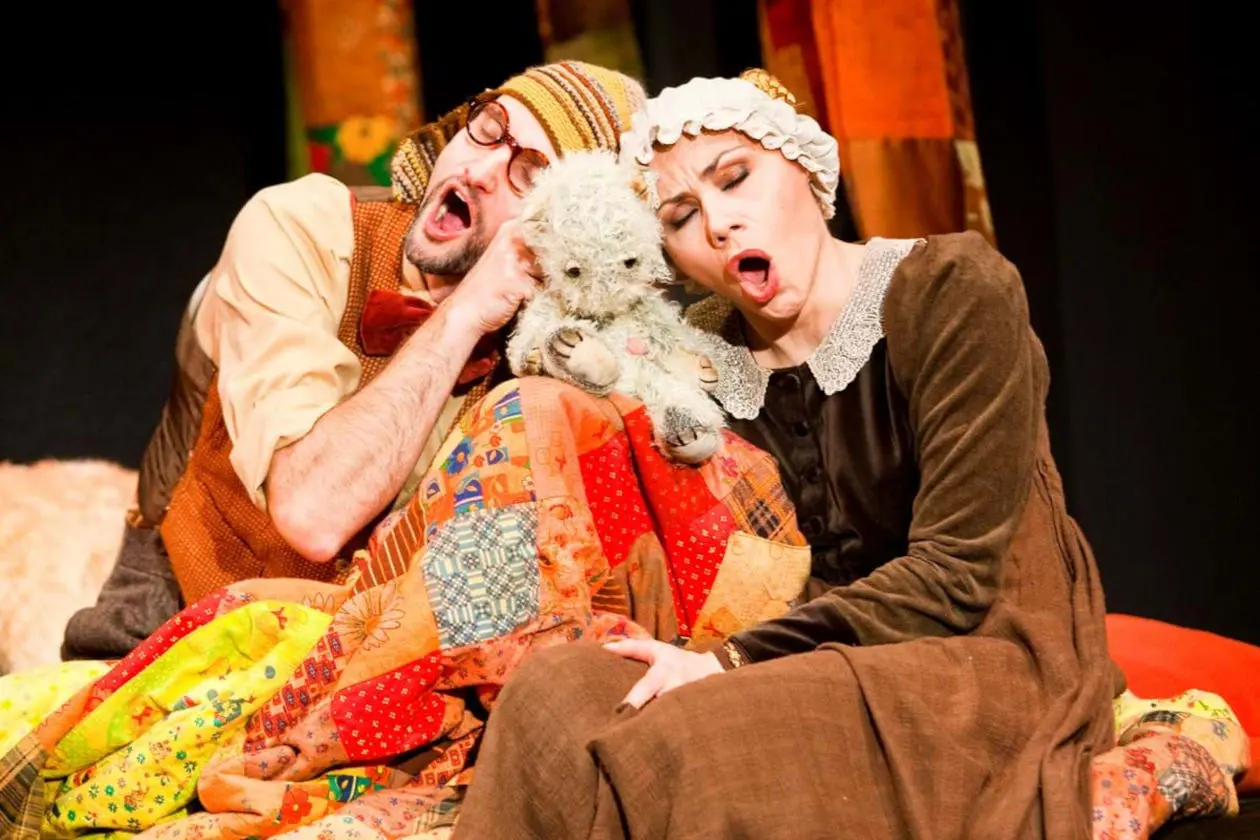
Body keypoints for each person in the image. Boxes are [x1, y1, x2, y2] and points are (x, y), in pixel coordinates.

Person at [451, 70, 1123, 839]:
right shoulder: (698, 359)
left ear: (805, 167)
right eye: (681, 216)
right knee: (557, 690)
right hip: (793, 649)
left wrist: (727, 662)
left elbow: (958, 575)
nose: (719, 224)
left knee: (690, 735)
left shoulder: (948, 288)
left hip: (977, 649)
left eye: (736, 178)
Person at [62, 61, 646, 661]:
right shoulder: (303, 226)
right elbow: (312, 514)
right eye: (489, 129)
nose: (476, 170)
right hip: (175, 625)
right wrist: (464, 313)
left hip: (390, 663)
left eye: (529, 175)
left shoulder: (565, 346)